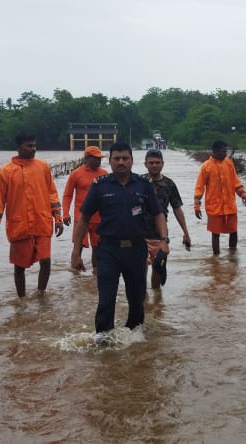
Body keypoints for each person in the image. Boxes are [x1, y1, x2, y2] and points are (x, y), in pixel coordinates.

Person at [70, 142, 168, 344]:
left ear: (132, 160)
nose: (121, 162)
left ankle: (134, 338)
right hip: (108, 251)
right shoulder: (100, 185)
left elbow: (158, 213)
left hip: (136, 250)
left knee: (137, 298)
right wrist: (76, 251)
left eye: (125, 158)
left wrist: (164, 241)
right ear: (110, 161)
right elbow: (84, 218)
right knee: (106, 298)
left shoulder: (143, 185)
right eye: (117, 158)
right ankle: (103, 340)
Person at [0, 132, 64, 298]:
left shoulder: (43, 167)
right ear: (18, 147)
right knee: (19, 266)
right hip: (19, 225)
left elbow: (52, 194)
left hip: (42, 222)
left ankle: (41, 295)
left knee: (46, 261)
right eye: (29, 146)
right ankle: (21, 301)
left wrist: (58, 218)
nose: (33, 149)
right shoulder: (6, 171)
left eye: (34, 145)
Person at [141, 149, 192, 289]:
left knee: (158, 269)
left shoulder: (169, 184)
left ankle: (157, 299)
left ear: (163, 164)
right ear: (145, 164)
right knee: (140, 271)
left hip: (160, 236)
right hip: (140, 234)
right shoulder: (140, 182)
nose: (154, 165)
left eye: (157, 162)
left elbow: (177, 209)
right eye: (151, 162)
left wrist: (186, 233)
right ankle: (143, 298)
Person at [193, 140, 246, 255]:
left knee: (233, 231)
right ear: (215, 151)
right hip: (214, 207)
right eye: (223, 151)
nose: (226, 153)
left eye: (226, 151)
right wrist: (197, 206)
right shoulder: (206, 167)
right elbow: (199, 187)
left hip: (230, 205)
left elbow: (235, 181)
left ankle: (233, 257)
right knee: (215, 234)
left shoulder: (229, 163)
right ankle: (216, 259)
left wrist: (242, 194)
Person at [61, 145, 108, 273]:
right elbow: (67, 195)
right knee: (79, 245)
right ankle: (75, 275)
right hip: (80, 216)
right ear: (87, 158)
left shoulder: (104, 174)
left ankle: (95, 275)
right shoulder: (76, 174)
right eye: (96, 158)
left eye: (100, 158)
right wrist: (65, 213)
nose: (99, 160)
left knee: (97, 247)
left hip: (98, 217)